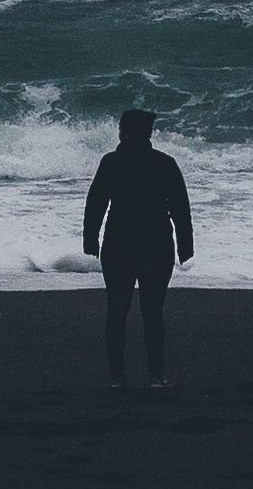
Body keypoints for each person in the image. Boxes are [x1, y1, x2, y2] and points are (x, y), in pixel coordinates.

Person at [81, 108, 194, 390]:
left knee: (116, 311)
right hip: (157, 244)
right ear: (148, 134)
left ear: (124, 132)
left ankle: (117, 377)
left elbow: (95, 203)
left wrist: (90, 239)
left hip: (118, 244)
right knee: (153, 313)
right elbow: (181, 208)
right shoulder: (165, 163)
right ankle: (156, 376)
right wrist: (185, 247)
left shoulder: (111, 162)